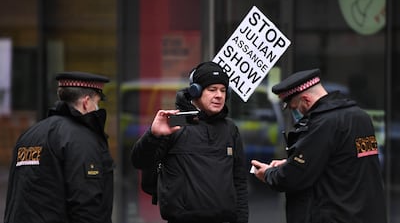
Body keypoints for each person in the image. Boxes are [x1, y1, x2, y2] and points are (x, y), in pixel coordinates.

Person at [251, 68, 387, 223]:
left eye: (295, 108)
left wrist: (268, 174)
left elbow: (294, 177)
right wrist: (291, 162)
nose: (296, 114)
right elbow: (339, 162)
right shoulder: (360, 117)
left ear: (307, 100)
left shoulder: (323, 123)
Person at [131, 61, 249, 223]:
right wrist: (153, 135)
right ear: (195, 91)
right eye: (212, 90)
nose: (219, 95)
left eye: (223, 90)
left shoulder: (230, 129)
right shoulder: (173, 124)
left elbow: (239, 182)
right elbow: (139, 161)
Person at [4, 72, 114, 223]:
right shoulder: (82, 140)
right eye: (97, 102)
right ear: (86, 102)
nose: (97, 108)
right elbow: (86, 205)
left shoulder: (30, 135)